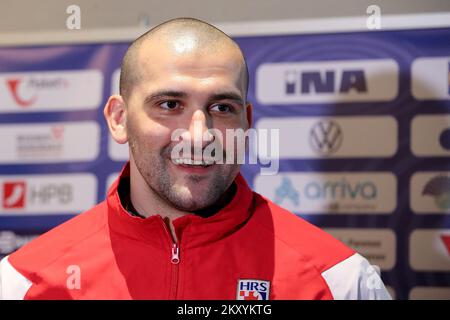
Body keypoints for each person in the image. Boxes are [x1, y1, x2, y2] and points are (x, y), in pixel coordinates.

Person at [0, 17, 391, 300]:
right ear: (119, 119)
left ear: (246, 121)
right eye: (170, 104)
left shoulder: (339, 282)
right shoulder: (23, 283)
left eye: (222, 107)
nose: (200, 135)